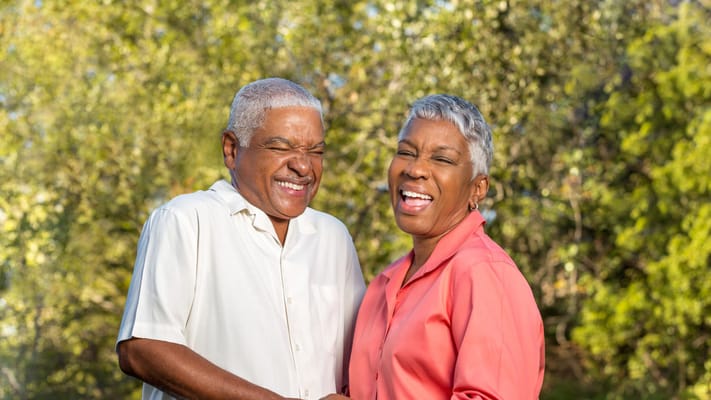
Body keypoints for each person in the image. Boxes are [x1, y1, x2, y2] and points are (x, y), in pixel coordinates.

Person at [116, 77, 366, 400]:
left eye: (315, 151)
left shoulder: (334, 238)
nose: (303, 166)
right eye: (281, 147)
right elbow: (141, 349)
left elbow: (361, 358)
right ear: (231, 150)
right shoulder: (185, 220)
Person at [347, 94, 545, 399]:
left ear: (477, 188)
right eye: (406, 152)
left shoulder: (485, 274)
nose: (415, 169)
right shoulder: (383, 285)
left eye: (441, 159)